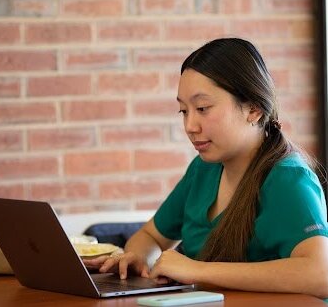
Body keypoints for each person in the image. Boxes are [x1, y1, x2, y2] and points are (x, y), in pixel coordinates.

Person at [84, 38, 328, 298]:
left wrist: (198, 271)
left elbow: (320, 274)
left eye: (202, 108)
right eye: (183, 111)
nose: (190, 125)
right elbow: (150, 236)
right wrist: (139, 258)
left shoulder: (288, 179)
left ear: (254, 109)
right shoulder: (203, 169)